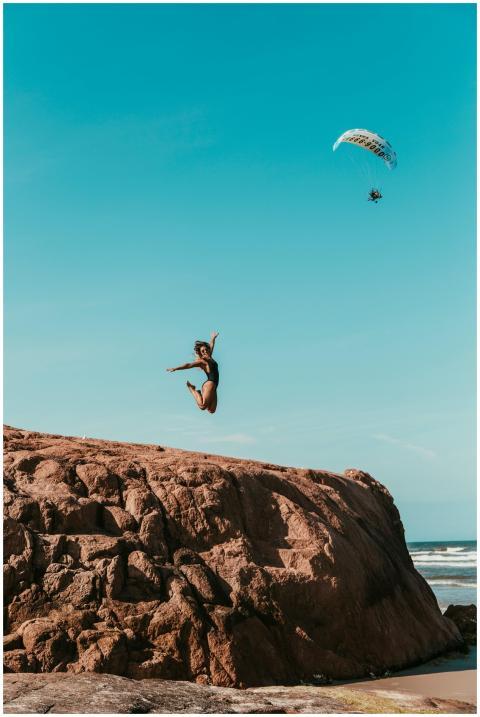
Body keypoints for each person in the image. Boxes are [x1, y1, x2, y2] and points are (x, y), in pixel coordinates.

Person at [167, 332, 219, 413]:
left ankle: (199, 393)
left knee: (211, 410)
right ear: (201, 353)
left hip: (215, 387)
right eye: (202, 351)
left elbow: (211, 345)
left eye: (206, 349)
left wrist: (213, 338)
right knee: (202, 406)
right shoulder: (203, 362)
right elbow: (189, 365)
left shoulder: (210, 356)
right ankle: (193, 390)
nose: (205, 351)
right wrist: (175, 368)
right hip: (210, 384)